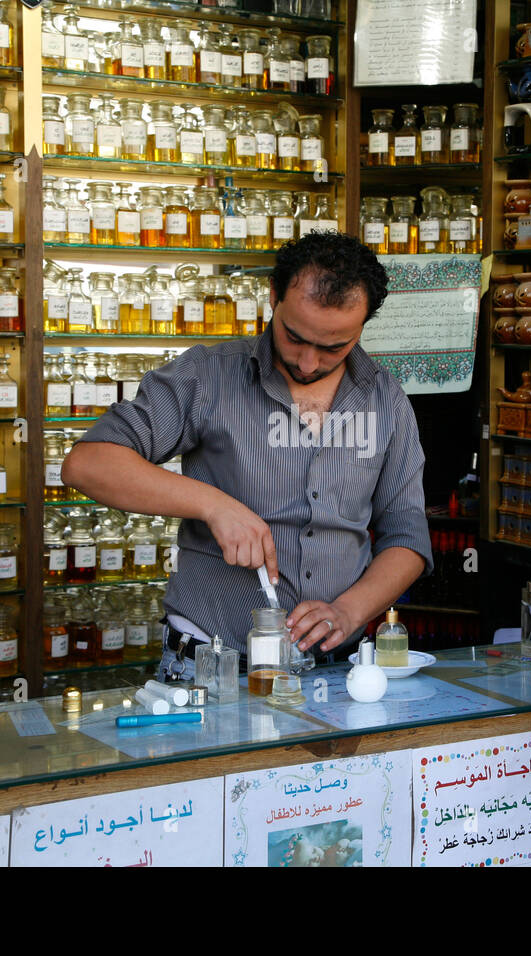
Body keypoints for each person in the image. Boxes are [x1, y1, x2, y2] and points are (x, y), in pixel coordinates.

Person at [61, 232, 432, 680]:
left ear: (362, 326)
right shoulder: (207, 375)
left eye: (334, 346)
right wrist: (213, 505)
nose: (309, 362)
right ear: (273, 297)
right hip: (209, 661)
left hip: (336, 666)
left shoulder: (386, 399)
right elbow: (87, 463)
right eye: (295, 337)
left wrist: (349, 611)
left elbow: (408, 537)